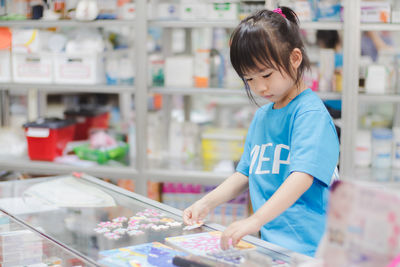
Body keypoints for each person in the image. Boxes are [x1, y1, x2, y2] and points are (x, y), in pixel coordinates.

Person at [183, 7, 340, 257]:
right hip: (272, 246)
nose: (261, 86)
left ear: (295, 58)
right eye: (250, 79)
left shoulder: (310, 114)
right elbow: (245, 172)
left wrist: (254, 220)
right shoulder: (262, 116)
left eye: (266, 74)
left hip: (310, 251)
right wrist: (206, 202)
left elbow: (302, 177)